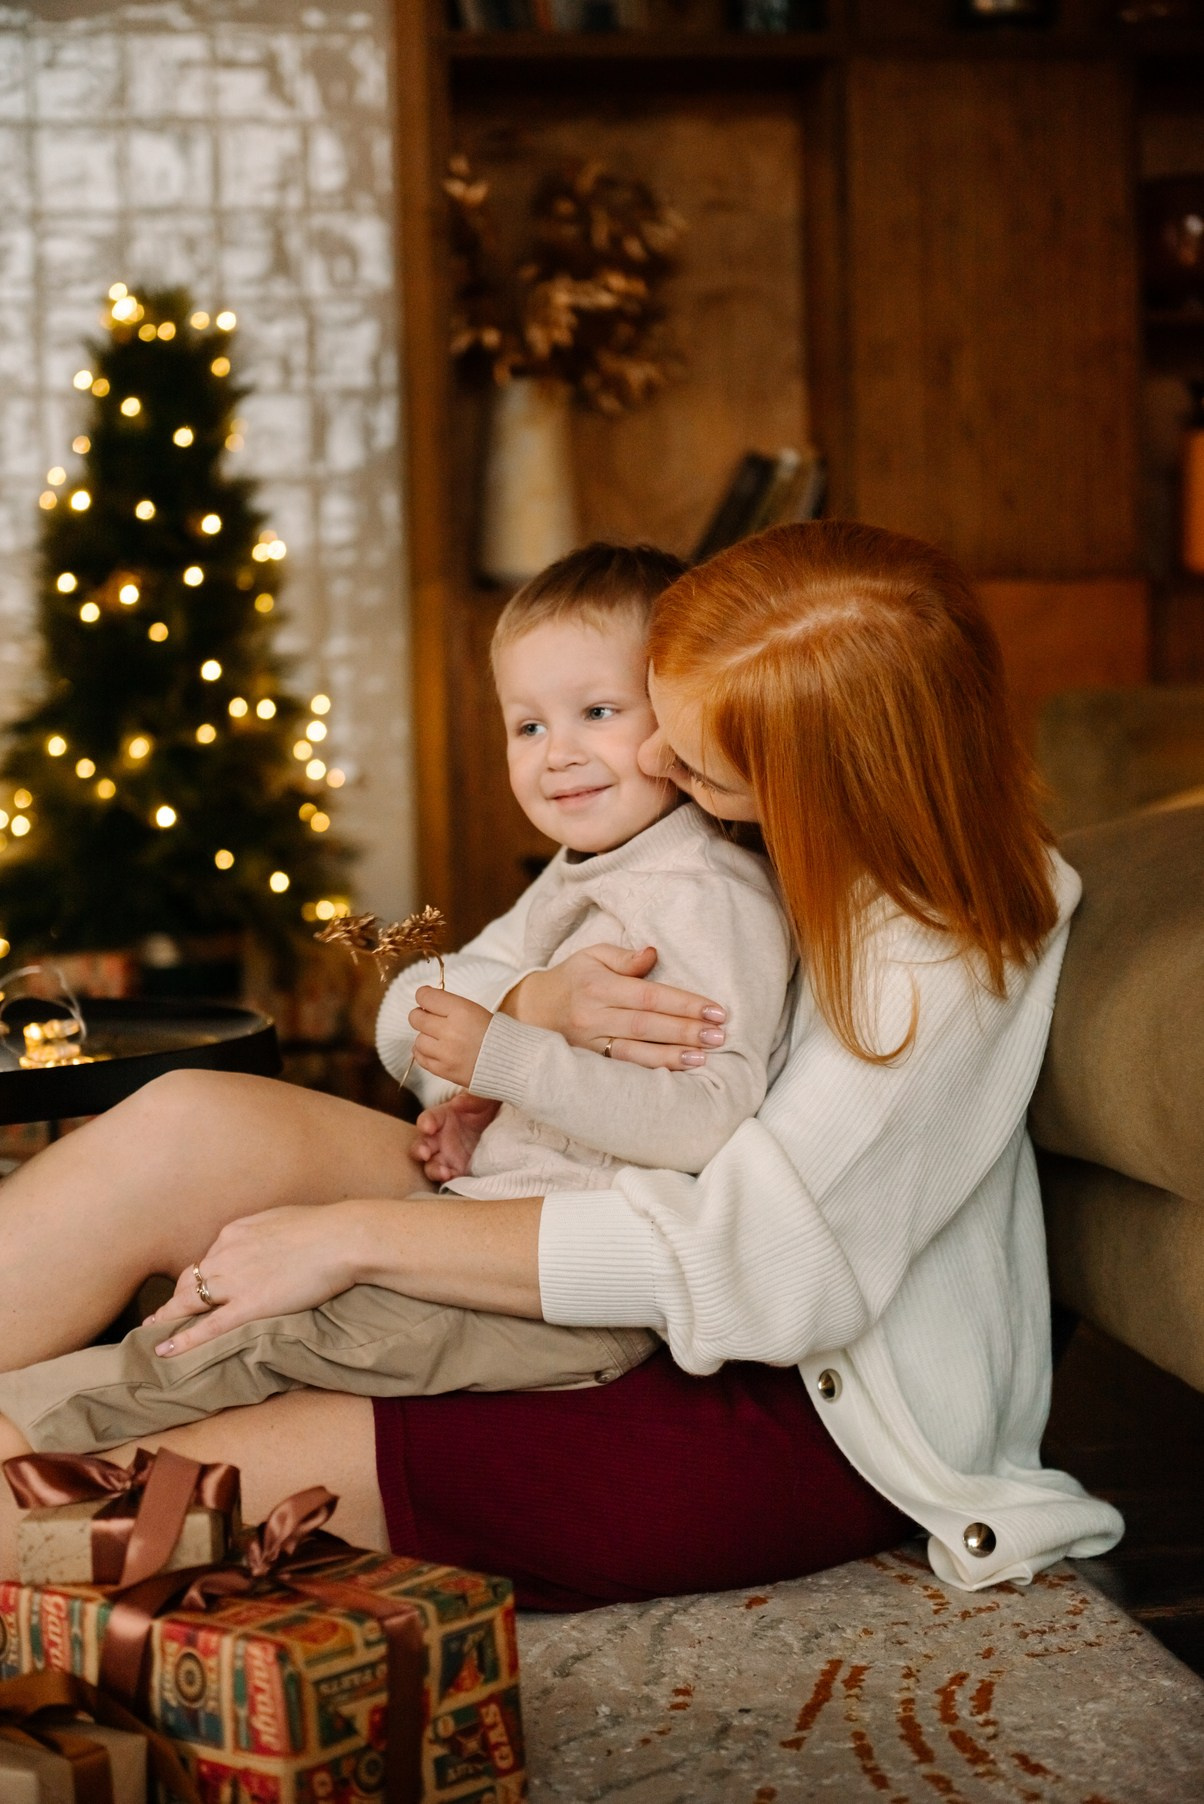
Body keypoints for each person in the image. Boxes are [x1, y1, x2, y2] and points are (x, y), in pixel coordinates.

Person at [0, 521, 1123, 1610]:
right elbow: (427, 1024)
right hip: (568, 1199)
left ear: (824, 773)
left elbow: (757, 1271)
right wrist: (532, 1008)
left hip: (778, 1404)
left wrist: (346, 1237)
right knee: (188, 1119)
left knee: (121, 1484)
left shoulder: (934, 950)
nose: (646, 761)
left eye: (694, 758)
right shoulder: (707, 823)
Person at [0, 544, 794, 1452]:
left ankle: (32, 1444)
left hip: (572, 1292)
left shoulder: (705, 897)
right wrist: (499, 1068)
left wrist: (504, 1056)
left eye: (598, 713)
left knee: (234, 1337)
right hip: (481, 1222)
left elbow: (702, 1126)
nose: (557, 755)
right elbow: (421, 1012)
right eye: (526, 727)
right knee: (216, 1302)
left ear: (680, 717)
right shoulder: (586, 873)